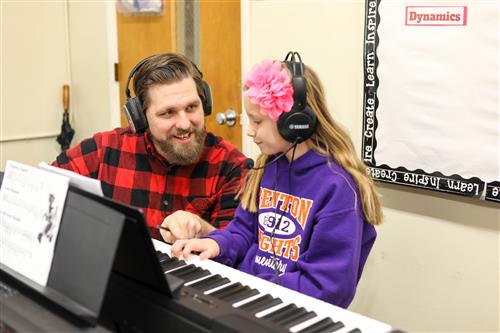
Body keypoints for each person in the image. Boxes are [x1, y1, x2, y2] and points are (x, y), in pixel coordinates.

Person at [171, 52, 383, 308]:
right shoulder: (266, 167)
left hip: (290, 309)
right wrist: (215, 244)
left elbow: (327, 288)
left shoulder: (338, 188)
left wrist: (248, 280)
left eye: (257, 121)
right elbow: (243, 232)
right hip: (253, 296)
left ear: (294, 123)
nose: (249, 131)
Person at [53, 53, 248, 241]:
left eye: (191, 107)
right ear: (140, 117)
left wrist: (202, 229)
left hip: (192, 273)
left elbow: (237, 249)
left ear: (205, 104)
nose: (185, 124)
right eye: (168, 113)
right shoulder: (104, 150)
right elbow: (42, 189)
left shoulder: (232, 166)